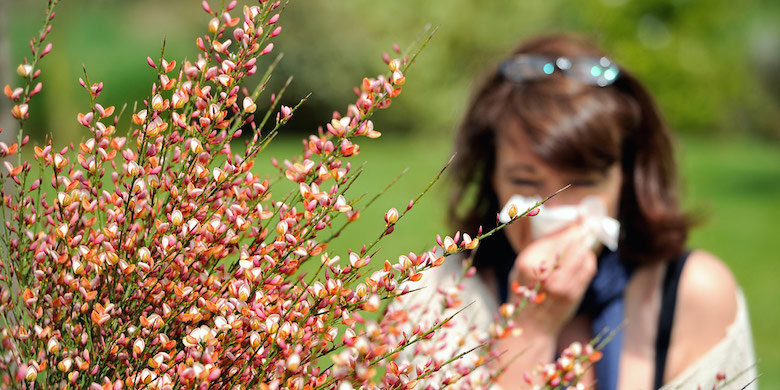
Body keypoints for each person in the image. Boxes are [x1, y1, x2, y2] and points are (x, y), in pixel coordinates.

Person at [440, 34, 757, 389]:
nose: (553, 208)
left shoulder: (693, 296)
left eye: (582, 183)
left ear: (626, 178)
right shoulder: (445, 295)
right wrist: (528, 326)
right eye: (526, 182)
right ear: (491, 178)